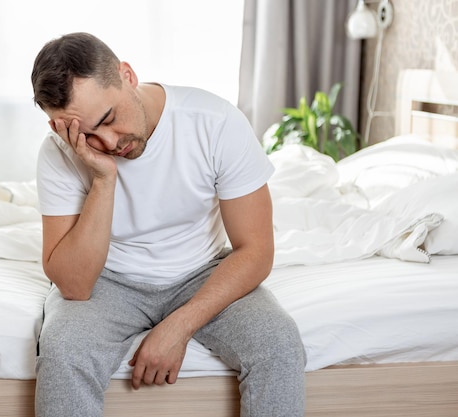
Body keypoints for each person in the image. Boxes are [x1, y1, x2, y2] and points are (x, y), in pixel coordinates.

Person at [30, 32, 305, 417]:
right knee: (63, 351)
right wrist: (104, 180)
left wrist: (178, 327)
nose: (108, 142)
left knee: (279, 343)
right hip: (109, 280)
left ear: (127, 75)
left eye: (108, 119)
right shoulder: (59, 153)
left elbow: (257, 250)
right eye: (88, 136)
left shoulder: (215, 122)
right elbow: (74, 285)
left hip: (202, 272)